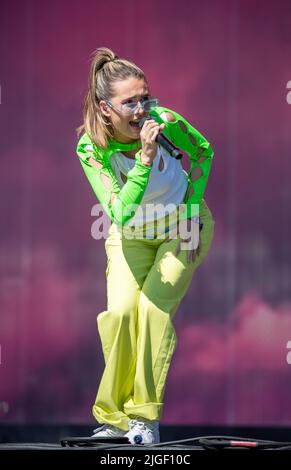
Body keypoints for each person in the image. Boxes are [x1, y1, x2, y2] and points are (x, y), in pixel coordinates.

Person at [75, 46, 215, 445]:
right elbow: (118, 213)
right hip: (130, 234)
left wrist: (190, 211)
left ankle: (143, 419)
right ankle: (113, 418)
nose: (141, 110)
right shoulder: (91, 148)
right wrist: (144, 158)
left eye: (145, 98)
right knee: (120, 314)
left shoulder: (165, 121)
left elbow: (204, 152)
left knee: (151, 311)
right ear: (106, 110)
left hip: (182, 229)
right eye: (129, 103)